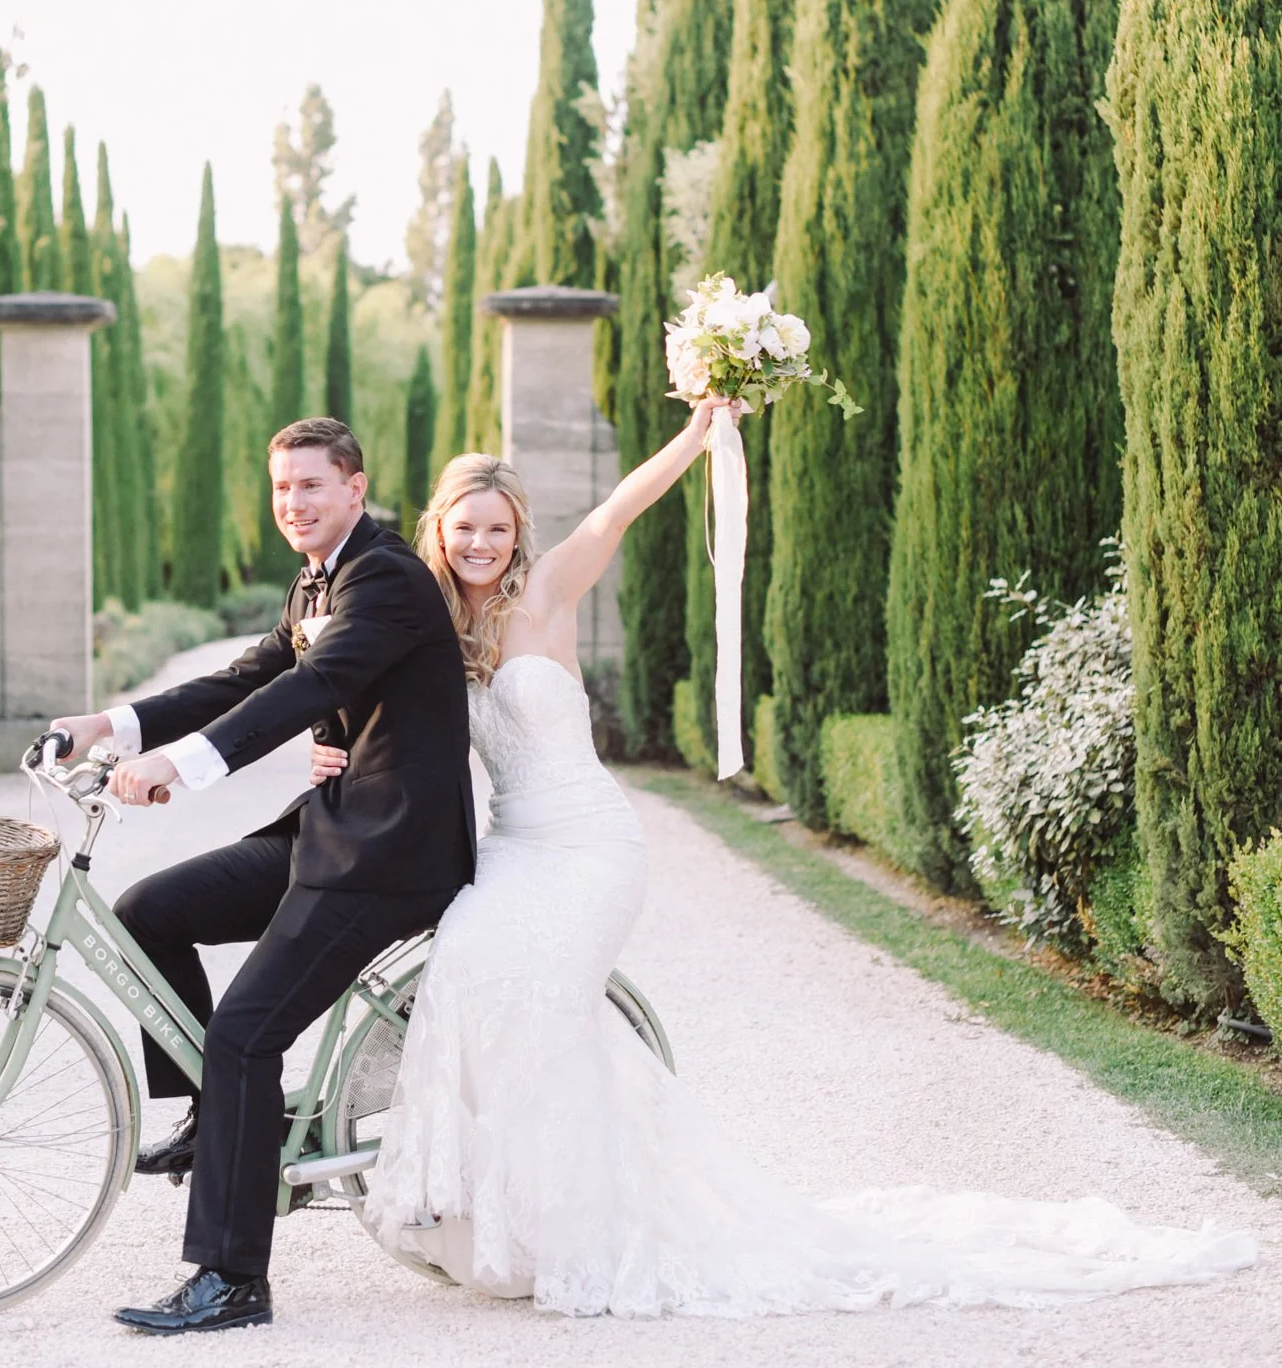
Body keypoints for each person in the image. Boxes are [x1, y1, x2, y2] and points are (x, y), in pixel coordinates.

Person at [305, 404, 1257, 1316]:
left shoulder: (547, 589)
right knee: (467, 967)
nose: (483, 544)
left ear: (518, 533)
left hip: (589, 848)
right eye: (466, 527)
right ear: (437, 529)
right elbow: (363, 692)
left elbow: (620, 506)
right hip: (514, 847)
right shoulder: (431, 624)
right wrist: (327, 740)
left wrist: (698, 432)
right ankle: (493, 1216)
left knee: (547, 1007)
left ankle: (582, 1227)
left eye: (498, 528)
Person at [51, 417, 474, 1334]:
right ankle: (217, 1120)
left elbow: (301, 694)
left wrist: (182, 767)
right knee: (146, 910)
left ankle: (231, 1279)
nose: (293, 504)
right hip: (327, 832)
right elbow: (239, 678)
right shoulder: (316, 579)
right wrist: (108, 726)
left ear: (356, 489)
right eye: (282, 488)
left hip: (387, 856)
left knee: (244, 1032)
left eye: (311, 487)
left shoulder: (386, 579)